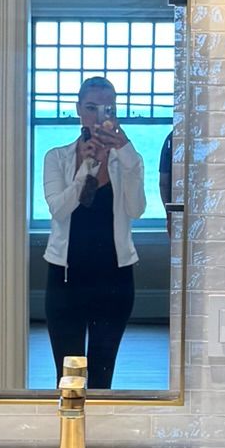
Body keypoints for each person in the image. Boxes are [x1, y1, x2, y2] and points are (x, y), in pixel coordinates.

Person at [42, 75, 146, 390]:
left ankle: (100, 439)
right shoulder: (57, 157)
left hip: (114, 281)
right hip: (65, 280)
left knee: (102, 378)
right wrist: (86, 167)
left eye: (107, 108)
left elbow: (137, 209)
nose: (99, 115)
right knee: (70, 378)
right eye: (91, 107)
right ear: (78, 110)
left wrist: (127, 155)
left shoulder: (128, 161)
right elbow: (59, 209)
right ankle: (70, 437)